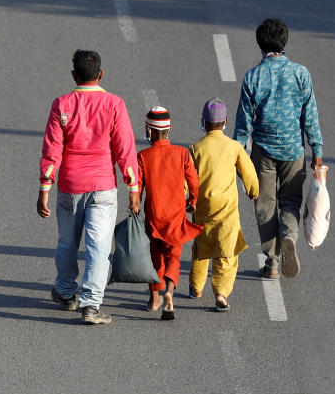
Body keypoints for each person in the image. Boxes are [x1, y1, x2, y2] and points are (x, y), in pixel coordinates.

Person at [37, 50, 140, 325]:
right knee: (98, 247)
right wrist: (134, 188)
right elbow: (125, 149)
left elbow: (52, 151)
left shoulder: (62, 104)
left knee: (67, 242)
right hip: (103, 187)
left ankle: (66, 292)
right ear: (101, 74)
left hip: (70, 186)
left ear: (74, 75)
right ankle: (91, 305)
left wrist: (44, 188)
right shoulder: (114, 104)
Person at [233, 19, 323, 279]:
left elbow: (243, 124)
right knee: (291, 202)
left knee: (265, 205)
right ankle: (289, 237)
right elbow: (310, 117)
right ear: (284, 42)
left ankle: (272, 262)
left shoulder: (253, 76)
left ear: (260, 43)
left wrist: (237, 157)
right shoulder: (301, 73)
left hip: (263, 152)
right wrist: (316, 150)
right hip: (294, 151)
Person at [188, 98, 259, 310]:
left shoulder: (196, 148)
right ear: (226, 120)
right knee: (227, 253)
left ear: (203, 121)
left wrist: (185, 199)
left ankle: (196, 287)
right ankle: (220, 295)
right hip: (227, 210)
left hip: (202, 209)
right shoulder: (234, 147)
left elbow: (187, 178)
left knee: (202, 249)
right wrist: (253, 190)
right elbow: (249, 173)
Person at [136, 106, 203, 321]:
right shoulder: (181, 153)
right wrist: (192, 200)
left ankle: (154, 298)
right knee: (174, 256)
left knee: (155, 257)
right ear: (169, 130)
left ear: (150, 131)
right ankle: (169, 293)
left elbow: (137, 186)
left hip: (154, 217)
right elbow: (193, 180)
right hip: (176, 215)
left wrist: (135, 203)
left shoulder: (143, 156)